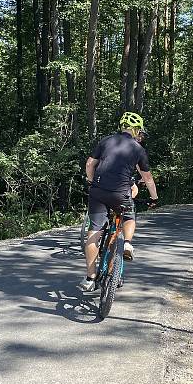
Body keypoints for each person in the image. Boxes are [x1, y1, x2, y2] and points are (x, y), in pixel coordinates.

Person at [81, 112, 158, 292]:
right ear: (136, 130)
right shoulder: (138, 148)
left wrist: (92, 182)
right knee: (129, 217)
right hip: (121, 193)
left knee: (94, 232)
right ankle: (128, 243)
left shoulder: (106, 141)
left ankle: (90, 278)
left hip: (98, 192)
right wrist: (154, 198)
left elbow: (90, 164)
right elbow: (147, 178)